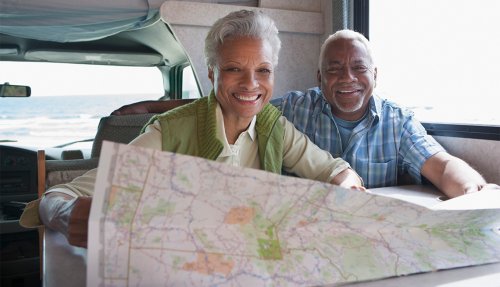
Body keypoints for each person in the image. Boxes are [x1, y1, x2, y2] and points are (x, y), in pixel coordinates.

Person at [20, 11, 364, 248]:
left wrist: (348, 184)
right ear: (212, 74)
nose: (251, 84)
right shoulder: (169, 133)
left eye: (263, 70)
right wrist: (67, 217)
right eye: (233, 69)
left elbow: (333, 169)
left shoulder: (275, 127)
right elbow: (55, 199)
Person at [271, 29, 499, 199]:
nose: (347, 77)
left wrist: (471, 190)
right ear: (320, 78)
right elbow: (246, 113)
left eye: (359, 68)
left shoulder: (397, 123)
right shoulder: (292, 110)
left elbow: (443, 167)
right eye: (334, 68)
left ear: (375, 75)